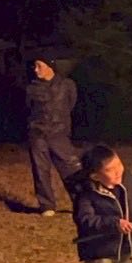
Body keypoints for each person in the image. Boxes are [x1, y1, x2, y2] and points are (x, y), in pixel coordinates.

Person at [25, 57, 79, 216]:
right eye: (34, 66)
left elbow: (70, 104)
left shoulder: (67, 85)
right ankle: (47, 205)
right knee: (40, 170)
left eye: (39, 66)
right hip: (38, 134)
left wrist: (60, 125)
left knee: (71, 169)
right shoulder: (32, 88)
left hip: (59, 134)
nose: (36, 70)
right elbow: (28, 109)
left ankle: (80, 202)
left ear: (50, 66)